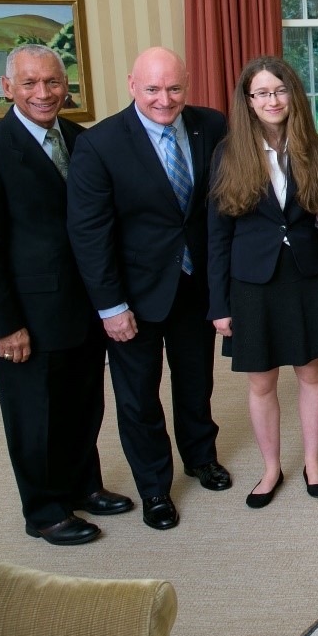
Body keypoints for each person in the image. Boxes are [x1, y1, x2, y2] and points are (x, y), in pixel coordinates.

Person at [0, 44, 129, 546]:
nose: (43, 93)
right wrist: (3, 325)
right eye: (30, 83)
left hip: (83, 307)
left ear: (65, 86)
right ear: (8, 89)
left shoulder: (81, 140)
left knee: (82, 406)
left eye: (52, 82)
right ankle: (45, 510)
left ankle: (82, 487)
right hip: (25, 317)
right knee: (34, 416)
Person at [68, 47, 230, 532]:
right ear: (132, 84)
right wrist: (110, 306)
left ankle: (201, 457)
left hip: (194, 284)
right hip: (132, 297)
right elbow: (89, 233)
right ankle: (155, 486)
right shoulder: (99, 145)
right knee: (138, 396)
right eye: (154, 89)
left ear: (188, 84)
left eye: (175, 88)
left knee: (196, 381)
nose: (165, 99)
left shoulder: (212, 125)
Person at [208, 56, 318, 509]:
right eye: (261, 93)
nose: (272, 100)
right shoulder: (229, 153)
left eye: (279, 91)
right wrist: (218, 304)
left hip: (305, 277)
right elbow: (217, 235)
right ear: (248, 101)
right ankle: (270, 468)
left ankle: (312, 462)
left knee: (310, 373)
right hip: (251, 283)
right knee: (261, 382)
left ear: (293, 96)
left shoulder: (316, 147)